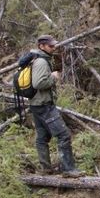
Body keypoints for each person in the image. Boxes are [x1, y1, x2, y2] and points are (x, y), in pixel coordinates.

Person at [29, 35, 84, 178]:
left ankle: (46, 169)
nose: (54, 48)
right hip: (44, 105)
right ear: (42, 46)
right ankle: (68, 169)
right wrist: (53, 77)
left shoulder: (37, 59)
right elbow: (38, 83)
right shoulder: (41, 62)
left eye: (54, 46)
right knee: (63, 135)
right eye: (50, 46)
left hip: (36, 104)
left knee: (42, 137)